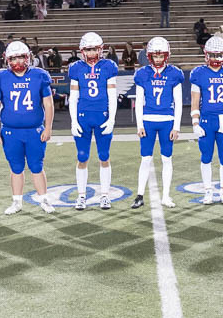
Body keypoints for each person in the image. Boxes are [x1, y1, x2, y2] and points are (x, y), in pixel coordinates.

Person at [0, 41, 55, 215]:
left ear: (28, 57)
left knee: (36, 166)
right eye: (13, 58)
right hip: (11, 131)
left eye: (20, 57)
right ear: (7, 59)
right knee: (16, 167)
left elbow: (48, 104)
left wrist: (48, 127)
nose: (17, 61)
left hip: (34, 130)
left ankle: (44, 199)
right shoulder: (1, 77)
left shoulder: (39, 75)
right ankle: (17, 202)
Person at [68, 32, 119, 210]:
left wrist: (111, 119)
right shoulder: (76, 68)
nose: (91, 53)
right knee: (82, 157)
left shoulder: (108, 66)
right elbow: (73, 97)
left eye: (94, 49)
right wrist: (73, 121)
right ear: (82, 51)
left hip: (102, 116)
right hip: (83, 117)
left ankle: (105, 195)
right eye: (88, 49)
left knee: (104, 156)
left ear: (100, 49)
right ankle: (81, 196)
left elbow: (112, 95)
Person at [131, 37, 184, 208]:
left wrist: (176, 127)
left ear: (166, 55)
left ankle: (166, 196)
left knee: (167, 159)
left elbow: (178, 102)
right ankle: (139, 195)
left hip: (167, 121)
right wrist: (139, 125)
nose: (159, 59)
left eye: (161, 56)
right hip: (148, 120)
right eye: (156, 56)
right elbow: (139, 101)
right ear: (150, 56)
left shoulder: (174, 73)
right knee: (145, 158)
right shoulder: (142, 73)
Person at [189, 36, 223, 205]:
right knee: (206, 156)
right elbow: (195, 101)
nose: (215, 58)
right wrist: (195, 123)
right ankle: (208, 191)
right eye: (212, 54)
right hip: (206, 120)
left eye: (219, 55)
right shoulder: (199, 73)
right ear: (206, 54)